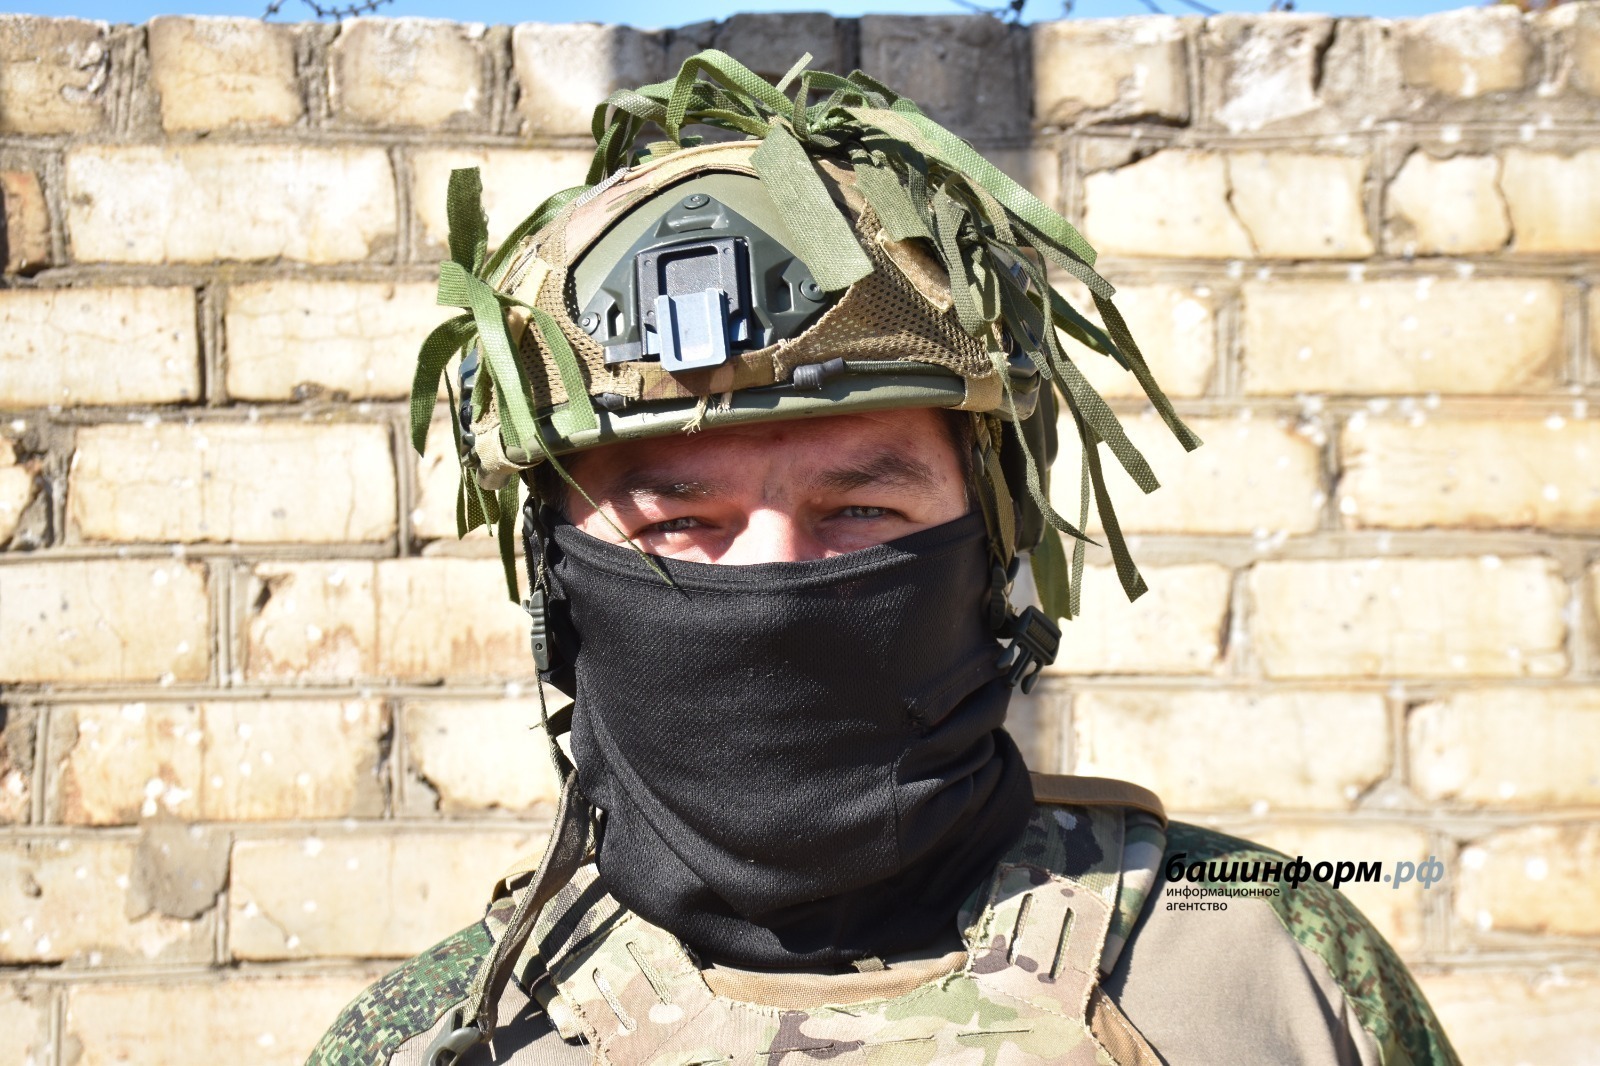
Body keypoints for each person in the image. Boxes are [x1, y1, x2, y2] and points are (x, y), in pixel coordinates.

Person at [309, 51, 1460, 1066]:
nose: (774, 579)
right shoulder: (435, 1038)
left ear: (991, 542)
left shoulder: (1268, 972)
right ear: (557, 584)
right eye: (677, 527)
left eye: (861, 510)